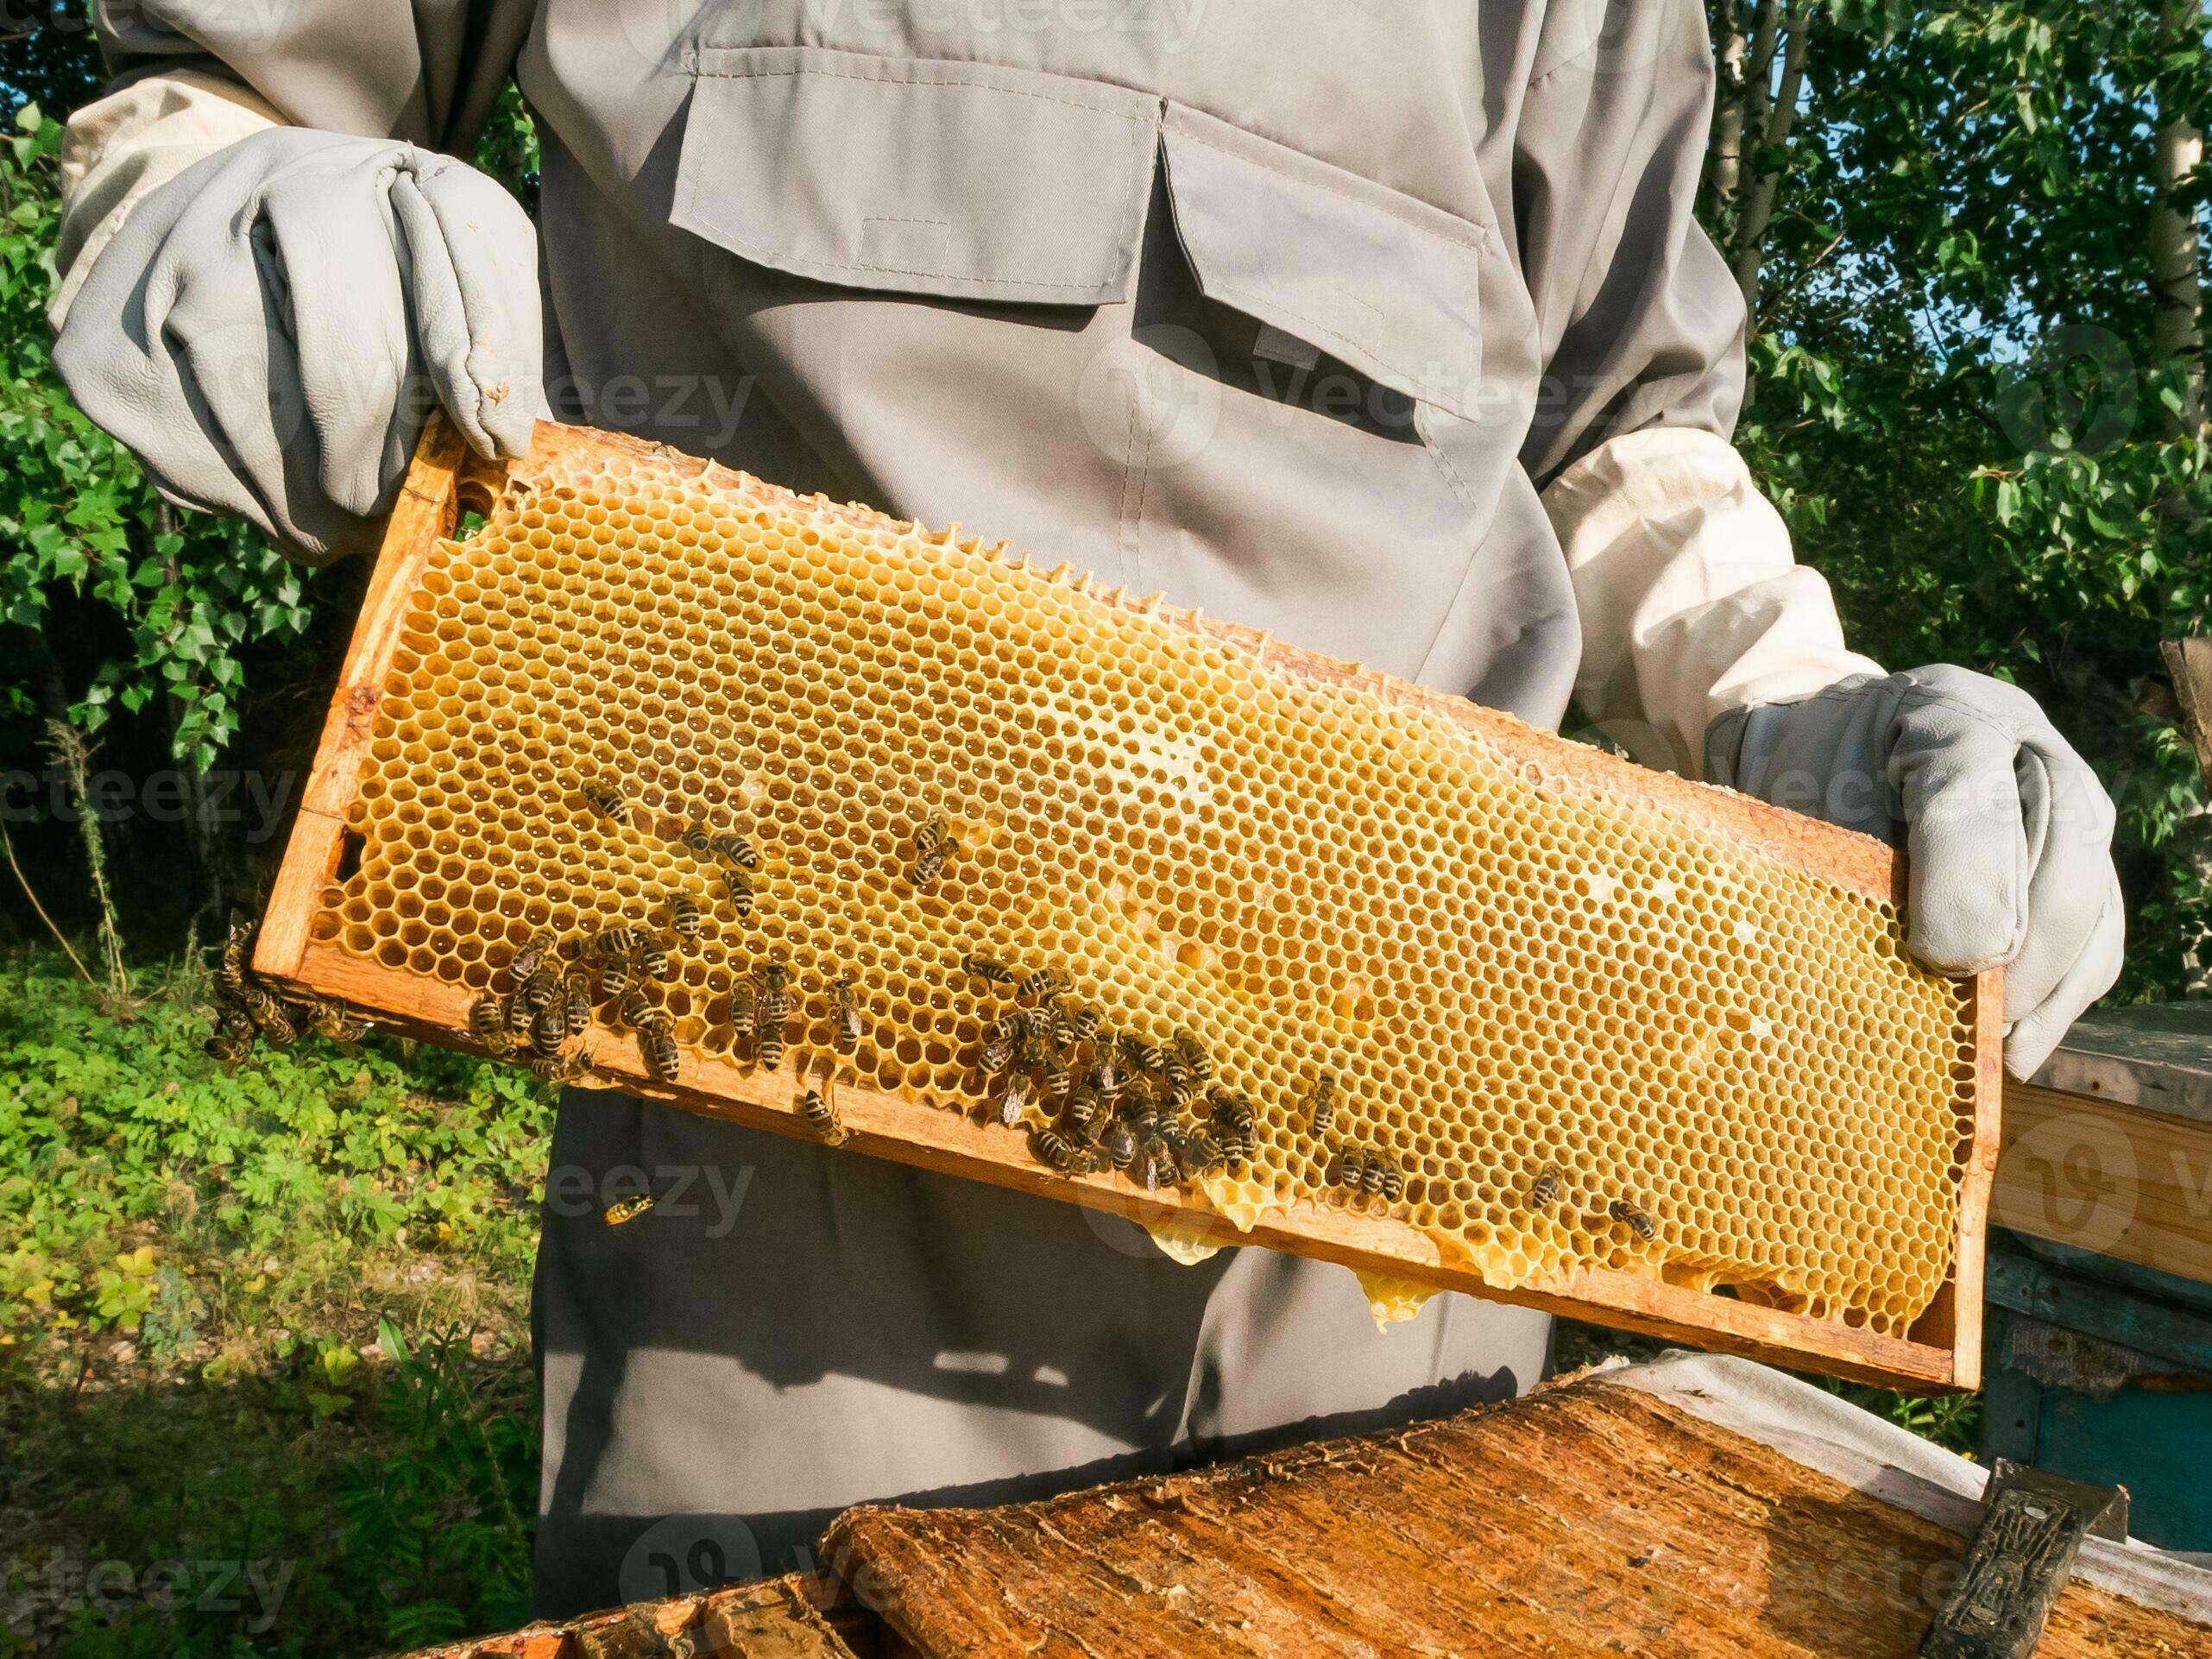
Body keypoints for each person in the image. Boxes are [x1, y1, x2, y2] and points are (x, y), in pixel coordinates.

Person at [50, 0, 2123, 1621]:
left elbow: (1619, 444)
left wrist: (1798, 703)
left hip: (1418, 1229)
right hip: (792, 1230)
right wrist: (222, 202)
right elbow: (215, 92)